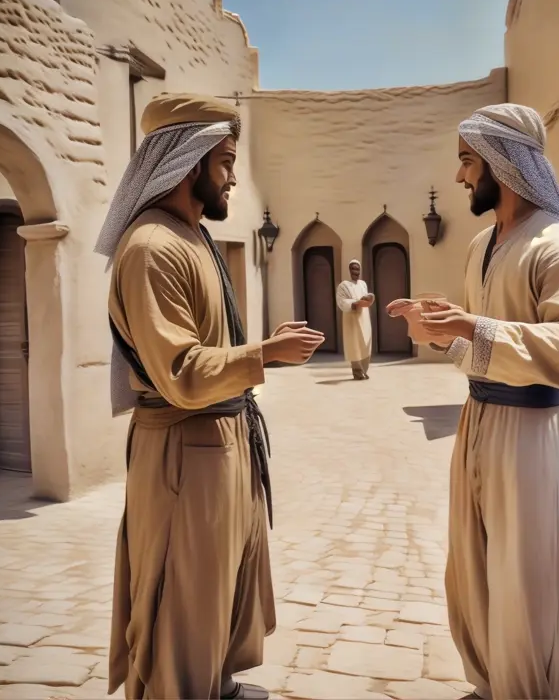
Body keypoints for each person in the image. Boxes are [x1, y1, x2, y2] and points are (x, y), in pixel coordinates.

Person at [93, 93, 324, 700]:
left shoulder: (190, 237)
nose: (231, 178)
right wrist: (264, 355)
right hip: (181, 449)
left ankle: (214, 685)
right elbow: (181, 371)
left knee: (219, 584)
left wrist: (260, 355)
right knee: (183, 596)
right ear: (188, 162)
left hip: (220, 443)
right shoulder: (152, 248)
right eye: (224, 162)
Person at [416, 103, 559, 699]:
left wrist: (472, 328)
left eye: (468, 161)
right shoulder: (482, 245)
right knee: (472, 565)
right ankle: (490, 682)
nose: (459, 177)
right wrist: (443, 332)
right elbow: (477, 340)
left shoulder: (557, 246)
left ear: (503, 162)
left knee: (525, 578)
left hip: (529, 430)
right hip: (477, 419)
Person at [336, 259, 374, 380]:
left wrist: (368, 298)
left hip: (364, 317)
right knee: (354, 345)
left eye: (357, 269)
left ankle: (364, 370)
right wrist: (355, 303)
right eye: (353, 269)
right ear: (349, 270)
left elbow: (366, 298)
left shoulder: (363, 284)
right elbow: (341, 302)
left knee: (365, 343)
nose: (355, 271)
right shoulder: (343, 285)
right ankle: (357, 372)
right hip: (351, 319)